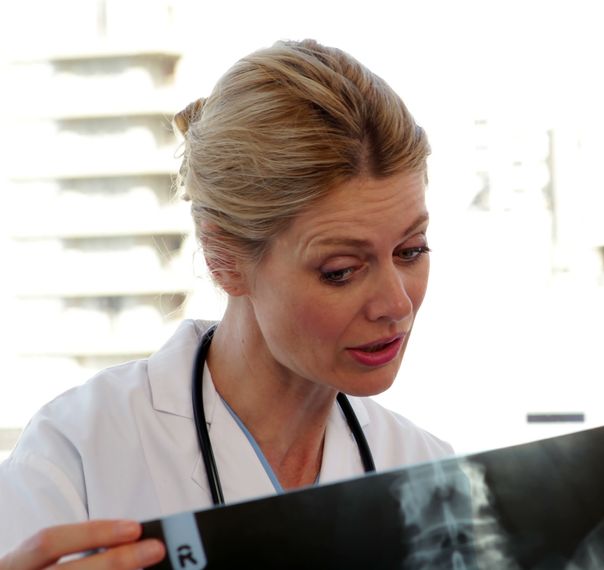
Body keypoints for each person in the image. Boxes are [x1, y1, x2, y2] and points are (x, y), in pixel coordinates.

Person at [0, 39, 452, 569]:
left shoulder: (429, 471)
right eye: (341, 271)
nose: (395, 304)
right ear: (223, 257)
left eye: (411, 251)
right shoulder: (79, 454)